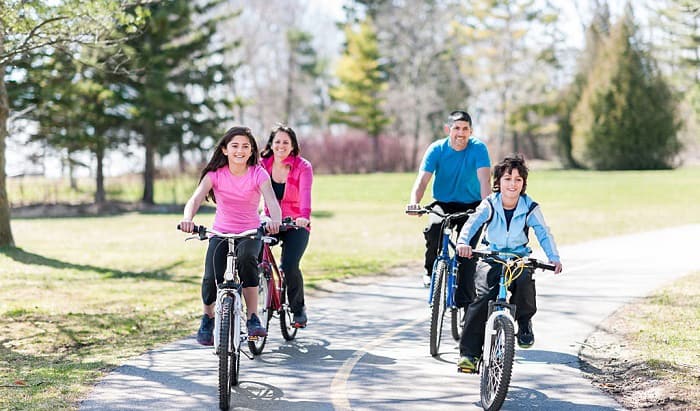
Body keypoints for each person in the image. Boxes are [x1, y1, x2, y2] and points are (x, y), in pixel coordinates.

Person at [454, 154, 563, 372]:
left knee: (524, 283)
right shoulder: (490, 204)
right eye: (507, 179)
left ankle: (524, 324)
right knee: (482, 298)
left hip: (517, 257)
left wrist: (554, 257)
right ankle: (469, 354)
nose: (512, 184)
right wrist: (463, 242)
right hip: (490, 255)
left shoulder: (529, 206)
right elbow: (472, 223)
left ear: (523, 183)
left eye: (518, 180)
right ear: (498, 182)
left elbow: (543, 232)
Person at [179, 126, 282, 346]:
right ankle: (208, 317)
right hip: (221, 232)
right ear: (225, 150)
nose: (240, 150)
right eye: (235, 146)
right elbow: (195, 199)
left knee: (247, 261)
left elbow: (271, 200)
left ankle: (253, 317)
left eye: (246, 146)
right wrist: (188, 218)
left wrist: (276, 220)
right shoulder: (215, 175)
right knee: (210, 276)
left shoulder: (258, 173)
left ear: (251, 150)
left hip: (249, 232)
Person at [406, 110, 491, 308]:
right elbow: (422, 181)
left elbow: (484, 180)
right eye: (456, 128)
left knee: (466, 252)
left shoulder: (478, 149)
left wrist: (487, 207)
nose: (461, 133)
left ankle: (464, 306)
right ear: (448, 129)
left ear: (471, 131)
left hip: (472, 206)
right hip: (443, 204)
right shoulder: (437, 149)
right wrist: (414, 202)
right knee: (434, 229)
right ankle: (430, 270)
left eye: (465, 129)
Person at [260, 124, 313, 328]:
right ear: (271, 145)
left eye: (286, 142)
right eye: (277, 142)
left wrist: (303, 217)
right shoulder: (262, 165)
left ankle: (298, 308)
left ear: (292, 146)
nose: (281, 146)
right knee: (253, 257)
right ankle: (263, 296)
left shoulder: (302, 166)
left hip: (295, 223)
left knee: (289, 265)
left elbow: (305, 194)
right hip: (270, 221)